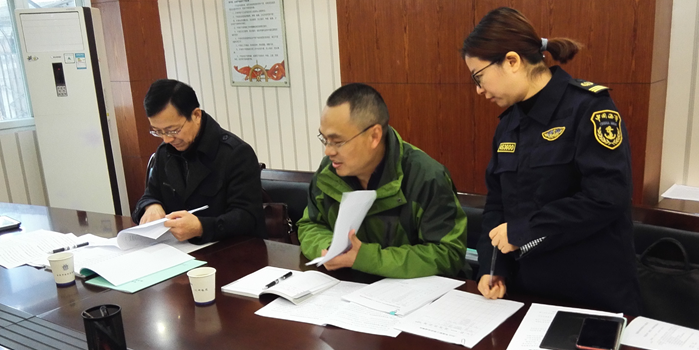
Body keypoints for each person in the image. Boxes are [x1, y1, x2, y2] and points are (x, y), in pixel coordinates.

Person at [462, 7, 642, 315]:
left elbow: (606, 198)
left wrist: (525, 229)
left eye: (479, 77)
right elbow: (497, 204)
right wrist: (493, 267)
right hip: (525, 292)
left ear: (512, 61)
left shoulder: (589, 108)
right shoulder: (508, 124)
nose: (479, 90)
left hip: (590, 294)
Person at [297, 83, 467, 279]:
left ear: (374, 136)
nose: (328, 151)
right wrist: (328, 247)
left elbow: (448, 254)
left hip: (413, 292)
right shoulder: (330, 171)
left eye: (337, 142)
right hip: (349, 286)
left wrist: (367, 258)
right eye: (324, 139)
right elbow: (310, 225)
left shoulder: (426, 177)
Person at [132, 79, 266, 242]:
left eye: (173, 130)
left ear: (196, 115)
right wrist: (151, 205)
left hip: (229, 249)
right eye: (158, 132)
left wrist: (201, 227)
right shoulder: (164, 152)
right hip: (175, 248)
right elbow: (151, 194)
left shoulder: (236, 154)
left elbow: (248, 218)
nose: (167, 139)